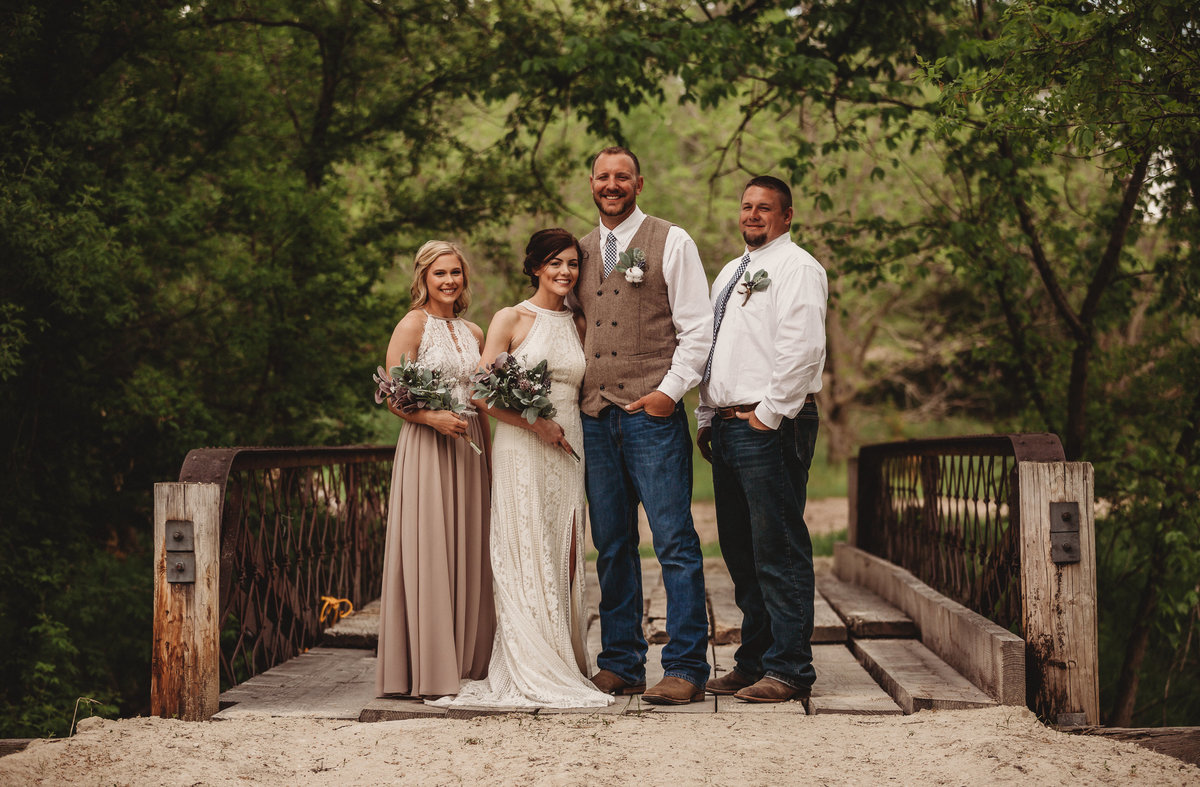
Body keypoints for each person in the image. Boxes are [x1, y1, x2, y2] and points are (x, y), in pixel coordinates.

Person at [436, 229, 613, 709]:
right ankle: (530, 660)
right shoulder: (511, 318)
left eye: (573, 264)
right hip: (523, 443)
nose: (565, 272)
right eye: (555, 263)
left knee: (566, 545)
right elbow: (479, 394)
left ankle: (565, 656)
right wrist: (536, 425)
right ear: (535, 266)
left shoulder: (580, 322)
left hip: (569, 442)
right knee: (526, 543)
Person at [576, 147, 713, 705]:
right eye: (603, 177)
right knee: (610, 545)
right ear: (592, 183)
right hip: (594, 417)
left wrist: (667, 394)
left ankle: (684, 667)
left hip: (651, 419)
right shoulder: (580, 252)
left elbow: (698, 330)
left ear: (639, 182)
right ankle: (622, 662)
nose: (612, 185)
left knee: (674, 542)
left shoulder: (671, 241)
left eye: (622, 177)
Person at [696, 175, 828, 702]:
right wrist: (707, 415)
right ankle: (754, 661)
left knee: (779, 548)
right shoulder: (732, 271)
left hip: (769, 425)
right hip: (728, 426)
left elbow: (802, 348)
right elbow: (714, 348)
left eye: (765, 208)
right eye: (747, 206)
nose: (752, 215)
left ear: (787, 215)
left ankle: (791, 669)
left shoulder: (799, 269)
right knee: (741, 551)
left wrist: (768, 415)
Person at [376, 240, 495, 699]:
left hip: (469, 447)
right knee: (430, 549)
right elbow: (392, 394)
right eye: (439, 273)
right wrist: (430, 417)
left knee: (469, 549)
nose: (449, 281)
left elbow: (481, 398)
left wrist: (492, 455)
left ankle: (468, 664)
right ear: (424, 277)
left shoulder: (475, 332)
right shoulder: (412, 325)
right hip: (427, 447)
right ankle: (426, 671)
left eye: (455, 273)